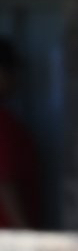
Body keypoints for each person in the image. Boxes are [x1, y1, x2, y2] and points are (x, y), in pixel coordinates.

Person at [0, 38, 41, 230]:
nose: (16, 78)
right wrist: (27, 235)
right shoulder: (3, 124)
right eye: (12, 70)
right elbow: (5, 183)